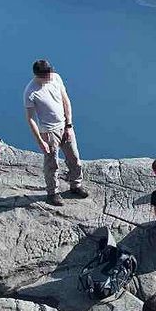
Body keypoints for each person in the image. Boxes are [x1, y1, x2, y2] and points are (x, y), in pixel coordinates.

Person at [23, 59, 89, 206]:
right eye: (47, 75)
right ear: (39, 76)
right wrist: (40, 141)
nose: (51, 76)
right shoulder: (31, 91)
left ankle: (76, 185)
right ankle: (52, 193)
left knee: (74, 157)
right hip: (48, 132)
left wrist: (69, 125)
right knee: (52, 164)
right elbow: (31, 119)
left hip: (64, 125)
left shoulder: (56, 77)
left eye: (51, 72)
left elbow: (66, 100)